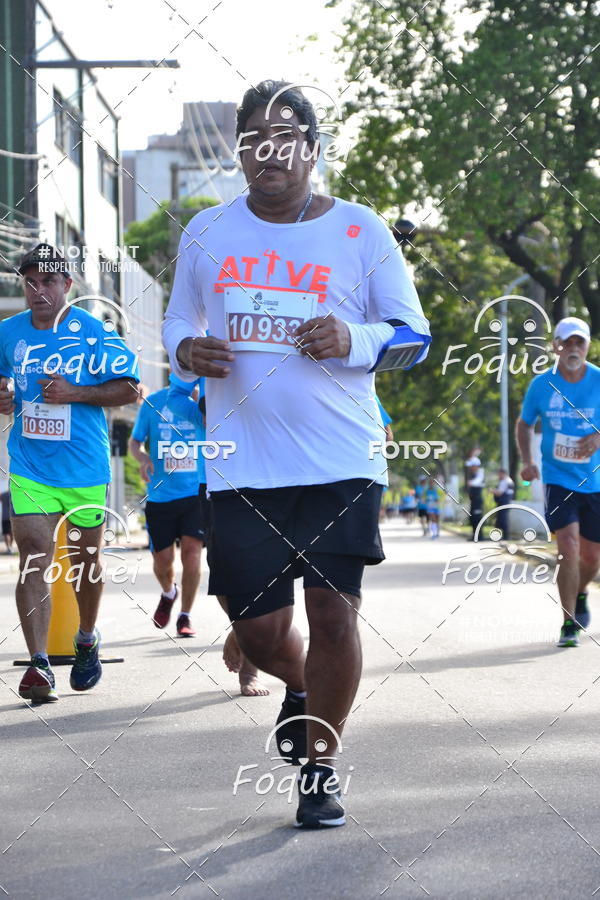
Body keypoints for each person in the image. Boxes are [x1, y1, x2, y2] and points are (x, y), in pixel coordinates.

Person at [162, 80, 430, 827]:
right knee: (254, 629)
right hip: (243, 464)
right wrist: (186, 348)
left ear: (312, 150)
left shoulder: (361, 230)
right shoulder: (208, 233)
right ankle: (304, 690)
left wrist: (357, 341)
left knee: (335, 616)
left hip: (342, 460)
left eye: (285, 136)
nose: (268, 150)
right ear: (241, 153)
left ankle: (320, 768)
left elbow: (414, 336)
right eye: (253, 138)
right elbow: (177, 321)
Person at [0, 243, 139, 701]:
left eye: (49, 281)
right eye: (31, 282)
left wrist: (75, 392)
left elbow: (130, 387)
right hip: (29, 464)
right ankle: (39, 664)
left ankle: (86, 638)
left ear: (68, 285)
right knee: (35, 554)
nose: (38, 290)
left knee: (85, 565)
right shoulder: (9, 333)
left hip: (83, 467)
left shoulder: (91, 331)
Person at [165, 374, 269, 697]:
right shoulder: (201, 347)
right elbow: (175, 398)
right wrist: (203, 412)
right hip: (215, 477)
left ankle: (249, 662)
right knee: (224, 571)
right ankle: (242, 628)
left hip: (271, 473)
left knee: (266, 570)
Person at [517, 316, 600, 648]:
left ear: (588, 346)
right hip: (557, 478)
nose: (573, 348)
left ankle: (581, 594)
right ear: (556, 346)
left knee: (592, 557)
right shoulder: (542, 385)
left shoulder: (598, 380)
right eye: (567, 342)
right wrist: (527, 461)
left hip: (595, 481)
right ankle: (568, 622)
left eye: (579, 342)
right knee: (568, 547)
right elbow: (524, 424)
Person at [129, 378, 207, 639]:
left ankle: (185, 615)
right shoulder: (154, 403)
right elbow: (135, 442)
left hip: (195, 491)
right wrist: (142, 459)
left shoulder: (206, 402)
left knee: (192, 553)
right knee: (163, 562)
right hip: (161, 495)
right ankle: (168, 593)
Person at [465, 447, 485, 539]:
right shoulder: (472, 474)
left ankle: (479, 535)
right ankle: (474, 535)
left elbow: (477, 481)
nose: (471, 468)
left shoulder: (480, 473)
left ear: (476, 466)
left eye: (472, 466)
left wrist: (470, 483)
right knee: (472, 517)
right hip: (473, 499)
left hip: (477, 499)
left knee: (477, 517)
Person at [491, 468, 514, 538]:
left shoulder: (504, 481)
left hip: (503, 502)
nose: (498, 476)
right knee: (500, 519)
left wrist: (492, 491)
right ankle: (500, 536)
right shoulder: (510, 480)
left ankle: (505, 536)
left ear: (502, 473)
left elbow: (499, 493)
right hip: (506, 502)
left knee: (502, 519)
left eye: (499, 474)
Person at [1, 488, 14, 553]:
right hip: (13, 516)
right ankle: (11, 547)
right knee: (11, 532)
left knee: (6, 533)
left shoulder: (4, 495)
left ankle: (8, 548)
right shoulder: (15, 494)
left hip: (5, 516)